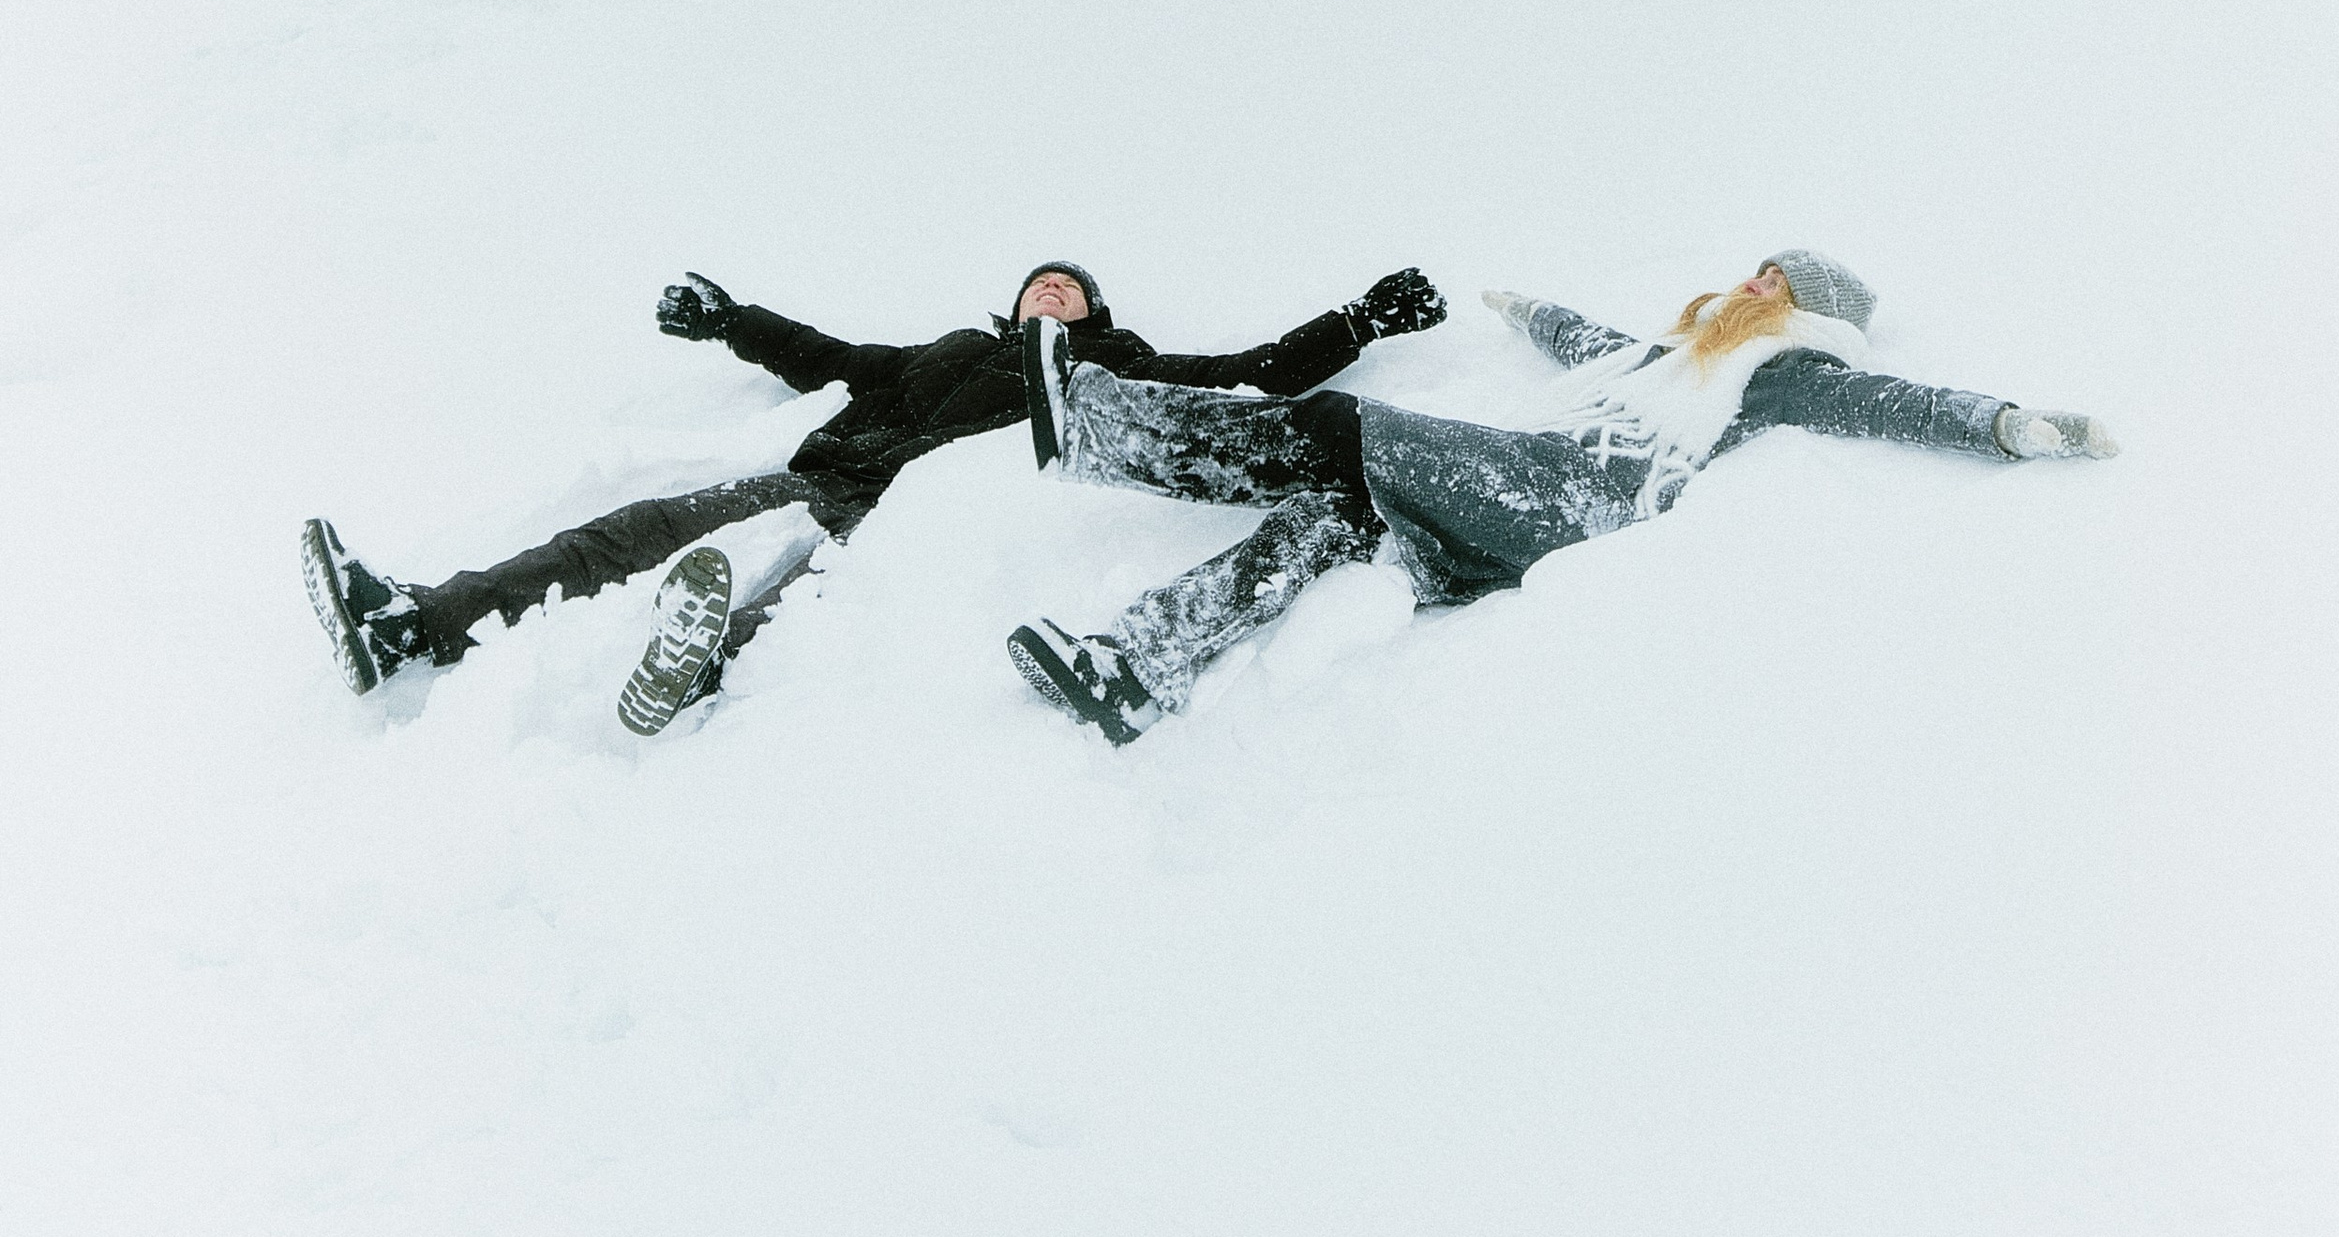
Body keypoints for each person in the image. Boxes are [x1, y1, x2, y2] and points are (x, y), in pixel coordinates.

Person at [302, 254, 1449, 736]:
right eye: (1037, 285)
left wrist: (1360, 319)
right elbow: (822, 354)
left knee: (801, 588)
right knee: (630, 531)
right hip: (825, 475)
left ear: (1091, 316)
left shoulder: (1119, 370)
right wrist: (728, 315)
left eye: (1070, 289)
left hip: (925, 515)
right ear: (1012, 308)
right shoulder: (940, 352)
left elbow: (1252, 377)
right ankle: (417, 622)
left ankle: (697, 671)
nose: (1051, 293)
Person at [1004, 251, 2118, 745]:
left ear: (1806, 312)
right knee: (1328, 517)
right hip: (1508, 506)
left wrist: (2006, 425)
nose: (1750, 281)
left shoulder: (1782, 373)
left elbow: (1893, 404)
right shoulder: (1660, 360)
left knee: (1343, 430)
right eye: (1756, 267)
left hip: (1567, 507)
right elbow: (1584, 338)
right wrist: (1525, 308)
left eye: (1776, 281)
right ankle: (1135, 668)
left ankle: (1105, 429)